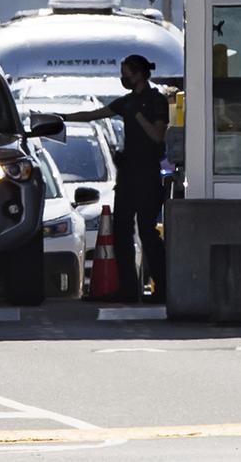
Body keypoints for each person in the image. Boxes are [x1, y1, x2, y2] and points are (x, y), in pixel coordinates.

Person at [57, 54, 169, 303]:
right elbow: (94, 115)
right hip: (128, 177)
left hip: (148, 176)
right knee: (121, 233)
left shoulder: (156, 101)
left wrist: (138, 115)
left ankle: (162, 288)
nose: (123, 78)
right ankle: (128, 289)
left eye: (126, 72)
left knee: (148, 234)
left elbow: (157, 136)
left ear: (139, 74)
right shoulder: (126, 102)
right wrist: (62, 118)